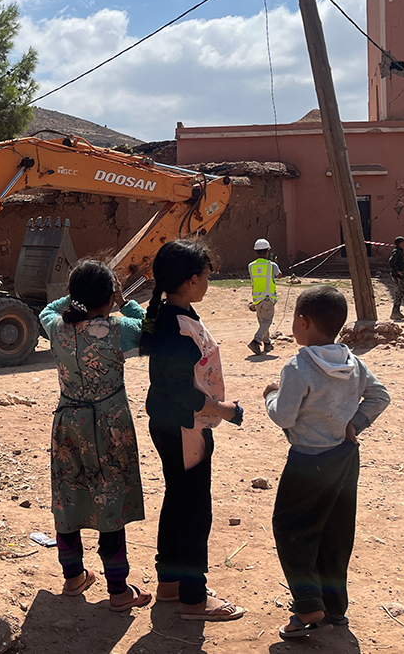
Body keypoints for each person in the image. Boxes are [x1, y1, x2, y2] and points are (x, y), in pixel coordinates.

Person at [263, 285, 390, 638]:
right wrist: (355, 423)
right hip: (345, 459)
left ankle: (307, 607)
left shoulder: (297, 366)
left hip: (307, 462)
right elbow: (380, 396)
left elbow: (284, 417)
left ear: (302, 322)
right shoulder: (353, 361)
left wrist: (271, 394)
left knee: (292, 529)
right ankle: (335, 608)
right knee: (336, 532)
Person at [140, 239, 246, 622]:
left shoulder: (171, 316)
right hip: (185, 426)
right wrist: (225, 410)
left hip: (172, 425)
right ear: (189, 281)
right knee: (195, 510)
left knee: (178, 500)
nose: (208, 282)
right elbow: (180, 390)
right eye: (206, 276)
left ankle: (169, 582)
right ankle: (193, 598)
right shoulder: (178, 329)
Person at [39, 260, 151, 612]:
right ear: (109, 297)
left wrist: (72, 301)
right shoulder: (119, 329)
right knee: (111, 500)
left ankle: (73, 576)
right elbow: (152, 326)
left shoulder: (57, 327)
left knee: (68, 496)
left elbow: (48, 308)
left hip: (68, 422)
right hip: (109, 425)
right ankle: (118, 588)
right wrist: (124, 301)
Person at [247, 238, 282, 356]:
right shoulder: (272, 265)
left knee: (263, 322)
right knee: (267, 321)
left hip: (257, 299)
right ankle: (256, 340)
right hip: (268, 298)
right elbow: (279, 276)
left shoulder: (251, 266)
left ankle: (267, 343)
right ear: (267, 251)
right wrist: (276, 264)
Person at [389, 236, 404, 321]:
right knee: (398, 293)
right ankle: (394, 313)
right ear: (399, 243)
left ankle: (397, 311)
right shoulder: (396, 252)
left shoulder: (400, 251)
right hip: (398, 276)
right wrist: (397, 271)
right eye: (403, 242)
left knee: (401, 293)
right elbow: (391, 261)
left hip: (402, 275)